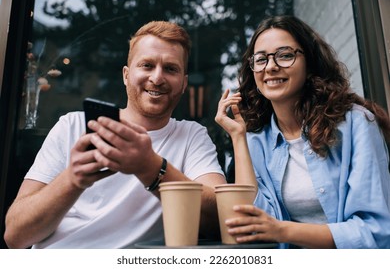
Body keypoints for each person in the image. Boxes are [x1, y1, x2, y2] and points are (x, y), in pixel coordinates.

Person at [4, 21, 226, 249]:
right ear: (126, 75)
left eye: (170, 69)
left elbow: (222, 217)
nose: (157, 78)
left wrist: (149, 167)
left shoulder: (191, 136)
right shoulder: (72, 125)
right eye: (147, 65)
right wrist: (71, 180)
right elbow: (15, 236)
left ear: (183, 83)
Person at [215, 15, 390, 249]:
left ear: (309, 64)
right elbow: (254, 223)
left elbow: (375, 231)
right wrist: (238, 138)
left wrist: (283, 230)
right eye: (260, 59)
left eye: (285, 55)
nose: (271, 66)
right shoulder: (256, 140)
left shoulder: (356, 124)